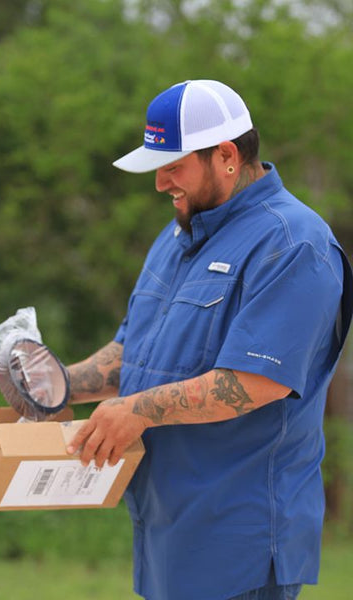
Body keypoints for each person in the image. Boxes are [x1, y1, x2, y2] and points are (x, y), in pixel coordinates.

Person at [66, 80, 353, 600]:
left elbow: (255, 381)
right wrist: (58, 386)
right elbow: (136, 350)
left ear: (225, 155)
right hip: (166, 533)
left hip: (238, 544)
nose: (160, 182)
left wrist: (136, 410)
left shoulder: (293, 243)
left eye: (173, 165)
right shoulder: (180, 233)